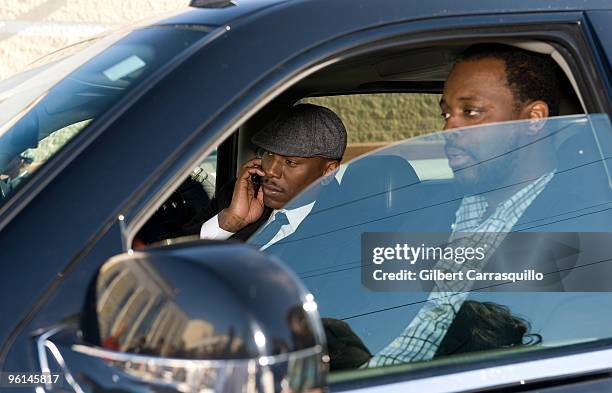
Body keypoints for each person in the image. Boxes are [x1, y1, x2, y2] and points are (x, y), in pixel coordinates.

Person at [366, 43, 566, 367]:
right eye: (446, 113)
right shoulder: (431, 213)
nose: (448, 129)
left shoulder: (587, 220)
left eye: (470, 112)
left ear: (533, 119)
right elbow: (375, 319)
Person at [197, 103, 347, 248]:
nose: (270, 171)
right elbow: (175, 255)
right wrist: (229, 223)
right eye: (269, 153)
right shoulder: (237, 195)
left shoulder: (353, 229)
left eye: (290, 162)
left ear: (329, 171)